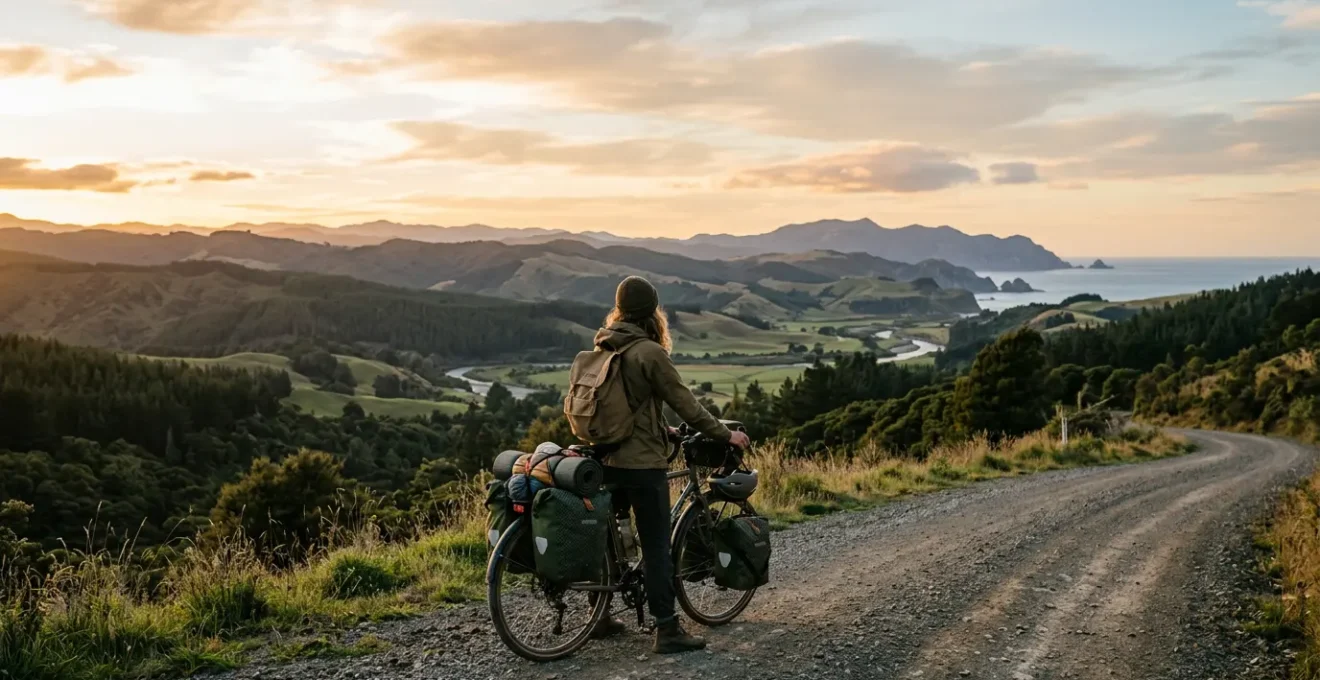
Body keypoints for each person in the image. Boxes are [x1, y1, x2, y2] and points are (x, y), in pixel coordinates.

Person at [586, 275, 751, 654]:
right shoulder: (649, 352)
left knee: (611, 537)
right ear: (652, 313)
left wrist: (664, 429)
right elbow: (688, 405)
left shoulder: (604, 345)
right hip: (642, 465)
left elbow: (628, 406)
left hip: (603, 457)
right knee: (658, 546)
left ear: (619, 311)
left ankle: (600, 614)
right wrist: (726, 435)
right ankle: (667, 629)